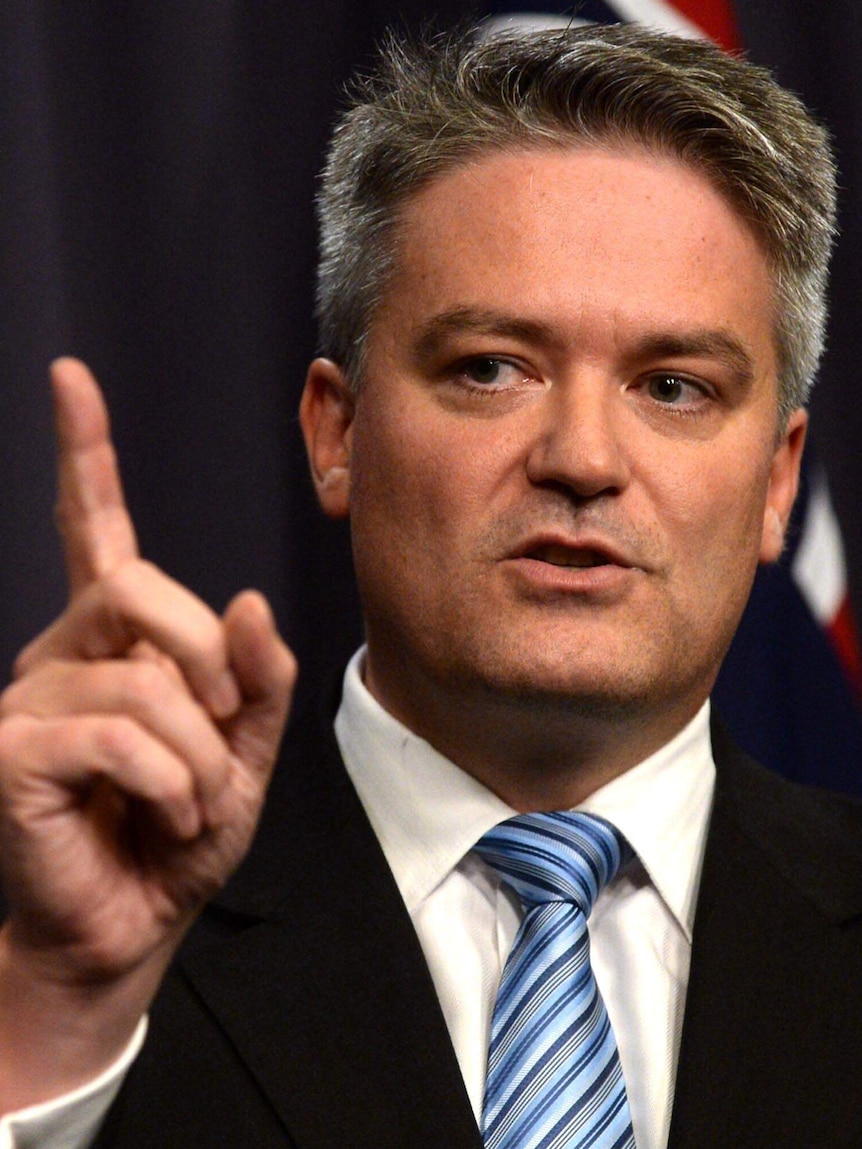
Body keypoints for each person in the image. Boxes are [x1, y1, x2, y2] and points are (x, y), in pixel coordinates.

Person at [1, 21, 861, 1149]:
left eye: (672, 386)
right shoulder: (58, 934)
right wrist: (53, 1017)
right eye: (491, 368)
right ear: (336, 433)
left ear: (774, 484)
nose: (584, 460)